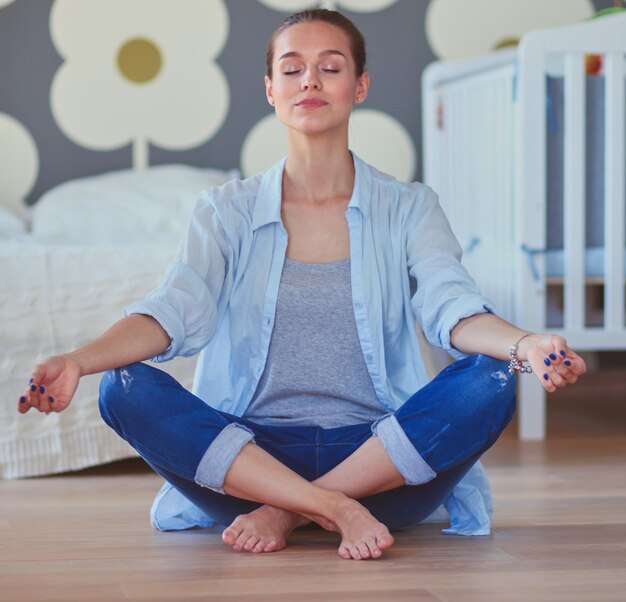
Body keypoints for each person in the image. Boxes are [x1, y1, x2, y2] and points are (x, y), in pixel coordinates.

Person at [18, 9, 586, 561]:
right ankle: (328, 506)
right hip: (247, 460)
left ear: (359, 86)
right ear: (270, 88)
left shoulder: (410, 207)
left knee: (491, 376)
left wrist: (525, 345)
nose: (309, 79)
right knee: (122, 386)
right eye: (292, 69)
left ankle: (288, 510)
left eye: (331, 67)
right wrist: (78, 360)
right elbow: (172, 312)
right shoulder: (225, 211)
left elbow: (454, 310)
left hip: (382, 459)